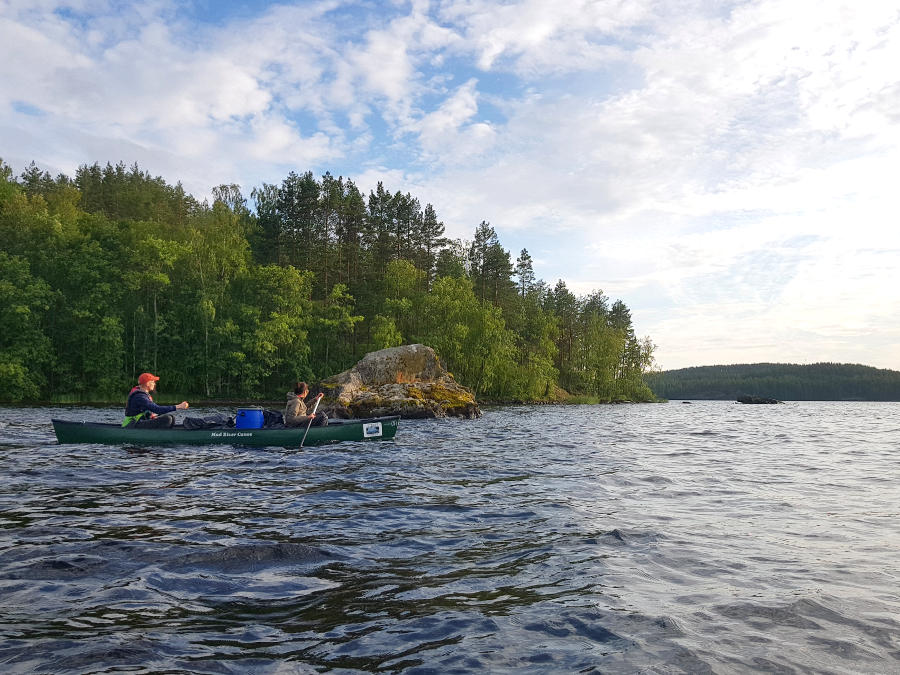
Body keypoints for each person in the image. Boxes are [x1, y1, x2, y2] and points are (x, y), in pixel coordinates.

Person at [123, 373, 189, 428]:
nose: (154, 384)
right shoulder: (140, 397)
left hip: (139, 422)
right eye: (153, 382)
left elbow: (153, 412)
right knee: (168, 419)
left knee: (171, 418)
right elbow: (157, 409)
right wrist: (179, 406)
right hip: (133, 425)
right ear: (147, 383)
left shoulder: (143, 395)